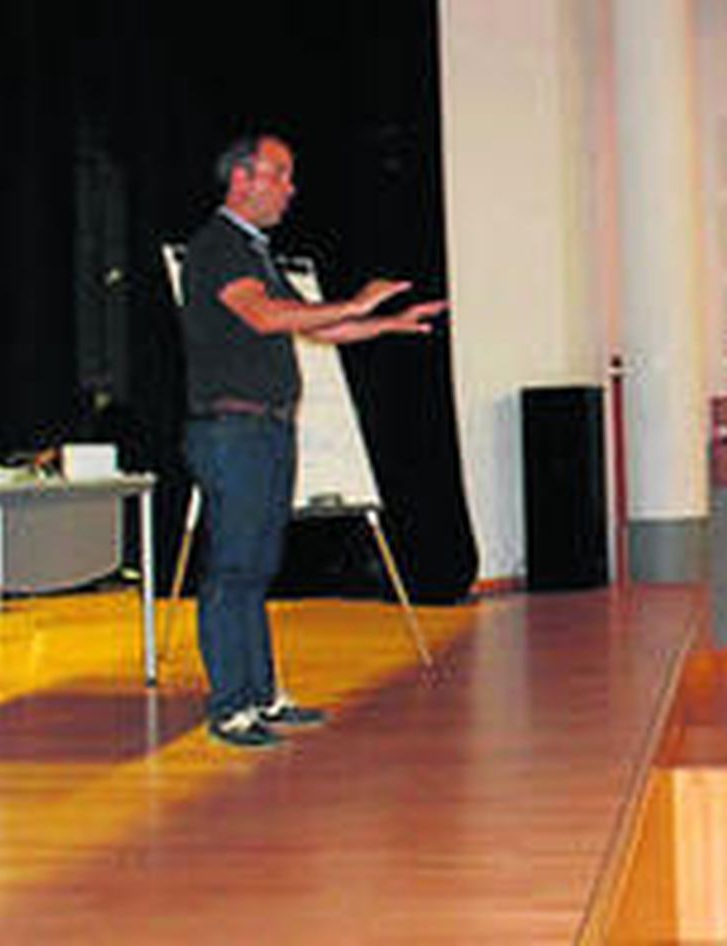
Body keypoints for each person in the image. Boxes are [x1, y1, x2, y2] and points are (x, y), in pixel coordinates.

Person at [179, 133, 446, 749]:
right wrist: (354, 301)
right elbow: (265, 317)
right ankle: (230, 707)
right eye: (281, 174)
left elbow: (321, 327)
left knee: (258, 567)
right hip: (233, 430)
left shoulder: (258, 252)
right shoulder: (218, 246)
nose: (292, 188)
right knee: (234, 570)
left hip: (265, 428)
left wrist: (385, 323)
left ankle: (261, 694)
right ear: (242, 179)